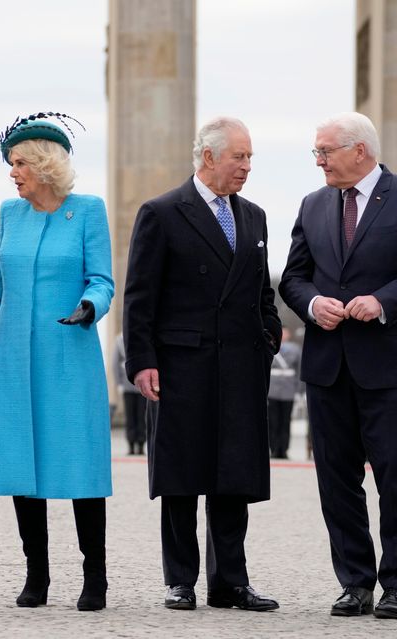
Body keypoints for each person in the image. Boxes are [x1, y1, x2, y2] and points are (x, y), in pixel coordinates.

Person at [279, 112, 397, 620]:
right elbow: (294, 277)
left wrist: (382, 301)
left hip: (391, 363)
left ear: (360, 150)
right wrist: (312, 305)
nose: (318, 161)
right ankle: (355, 582)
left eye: (325, 151)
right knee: (336, 478)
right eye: (316, 151)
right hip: (328, 365)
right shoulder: (312, 204)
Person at [124, 116, 282, 612]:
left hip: (240, 365)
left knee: (233, 475)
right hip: (181, 366)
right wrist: (141, 361)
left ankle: (230, 581)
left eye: (250, 156)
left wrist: (269, 334)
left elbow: (262, 291)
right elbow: (139, 297)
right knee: (182, 476)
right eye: (240, 156)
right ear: (209, 157)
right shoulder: (163, 212)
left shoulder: (253, 216)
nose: (247, 166)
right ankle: (180, 580)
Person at [0, 113, 113, 611]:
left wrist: (90, 306)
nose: (13, 173)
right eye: (12, 164)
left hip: (67, 353)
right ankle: (37, 576)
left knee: (79, 463)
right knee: (22, 462)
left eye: (20, 164)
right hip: (14, 357)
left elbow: (102, 278)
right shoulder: (10, 215)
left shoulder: (88, 211)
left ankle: (93, 577)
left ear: (46, 164)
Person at [268, 327, 301, 459]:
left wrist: (299, 390)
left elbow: (299, 370)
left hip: (288, 389)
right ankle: (274, 448)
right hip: (273, 388)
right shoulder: (271, 346)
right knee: (273, 421)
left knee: (286, 421)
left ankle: (284, 449)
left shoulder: (295, 349)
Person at [114, 333, 146, 455]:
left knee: (141, 416)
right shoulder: (119, 341)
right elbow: (115, 363)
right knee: (130, 416)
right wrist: (119, 383)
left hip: (141, 386)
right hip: (127, 386)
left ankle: (141, 444)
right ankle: (131, 444)